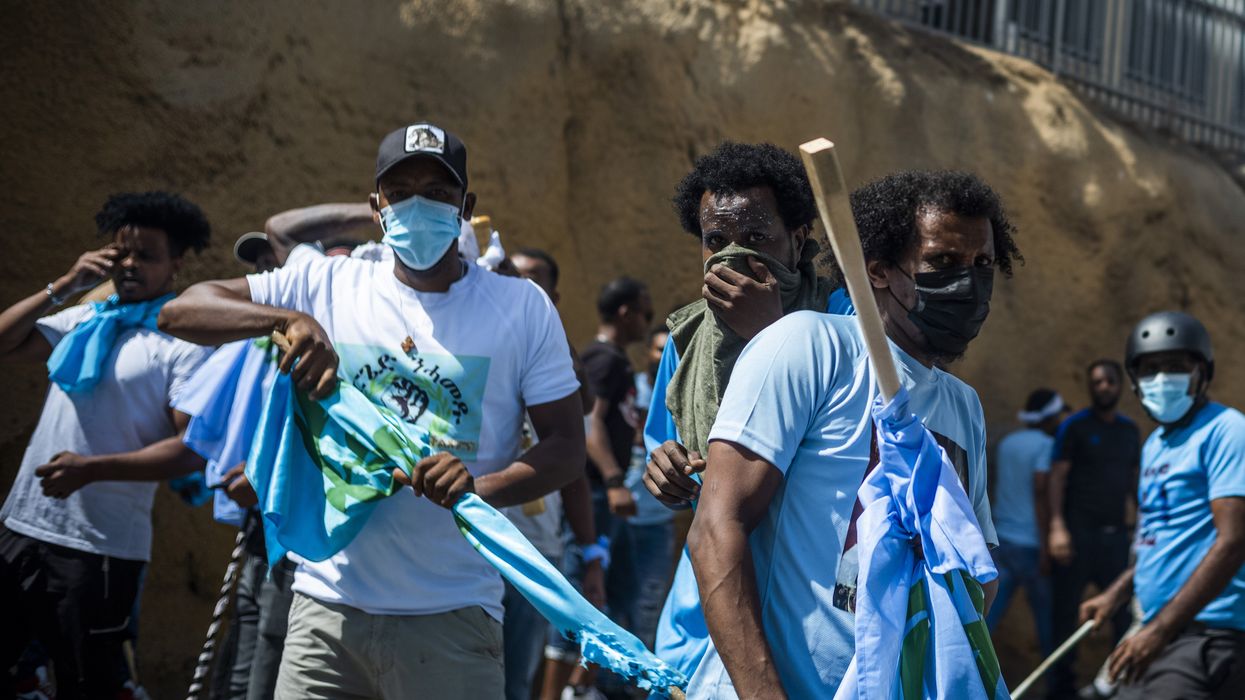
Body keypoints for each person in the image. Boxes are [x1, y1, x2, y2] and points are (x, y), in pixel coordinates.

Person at [158, 121, 586, 699]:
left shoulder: (521, 306)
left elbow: (565, 448)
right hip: (325, 612)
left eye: (438, 192)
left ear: (467, 206)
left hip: (454, 614)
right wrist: (287, 319)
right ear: (376, 206)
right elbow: (183, 311)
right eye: (401, 191)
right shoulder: (326, 284)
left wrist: (480, 487)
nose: (420, 205)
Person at [680, 169, 1018, 697]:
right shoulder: (807, 346)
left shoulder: (963, 407)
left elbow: (976, 576)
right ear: (878, 271)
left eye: (981, 264)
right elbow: (716, 531)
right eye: (943, 263)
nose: (968, 282)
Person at [641, 141, 856, 680]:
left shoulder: (844, 321)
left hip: (808, 601)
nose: (734, 256)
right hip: (704, 610)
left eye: (756, 238)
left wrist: (771, 335)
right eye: (717, 241)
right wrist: (664, 469)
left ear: (799, 237)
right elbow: (667, 448)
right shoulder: (687, 338)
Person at [0, 191, 213, 698]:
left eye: (147, 255)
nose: (131, 265)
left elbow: (191, 448)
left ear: (176, 266)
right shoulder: (87, 317)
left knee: (92, 685)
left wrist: (92, 469)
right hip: (22, 527)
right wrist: (66, 285)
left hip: (98, 549)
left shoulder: (182, 342)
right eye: (123, 253)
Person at [210, 206, 377, 700]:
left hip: (307, 524)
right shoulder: (260, 339)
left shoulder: (331, 337)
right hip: (258, 521)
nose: (265, 273)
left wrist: (380, 209)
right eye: (258, 264)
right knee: (244, 642)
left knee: (272, 646)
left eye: (273, 264)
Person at [1079, 311, 1245, 699]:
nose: (1162, 378)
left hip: (1207, 634)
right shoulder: (1156, 444)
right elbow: (1159, 541)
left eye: (1175, 366)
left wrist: (1159, 630)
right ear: (1135, 382)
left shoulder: (1227, 430)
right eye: (1149, 369)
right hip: (1161, 630)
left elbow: (1234, 540)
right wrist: (1117, 593)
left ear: (1203, 372)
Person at [501, 247, 605, 700]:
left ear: (554, 297)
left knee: (515, 681)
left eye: (534, 283)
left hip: (533, 552)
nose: (522, 290)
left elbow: (573, 468)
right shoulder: (484, 345)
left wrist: (590, 552)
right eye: (513, 279)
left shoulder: (554, 369)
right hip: (471, 546)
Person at [542, 276, 653, 700]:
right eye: (645, 311)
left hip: (602, 498)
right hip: (591, 496)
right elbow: (589, 427)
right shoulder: (605, 360)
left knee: (605, 592)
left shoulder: (611, 359)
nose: (648, 320)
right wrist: (613, 481)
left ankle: (581, 687)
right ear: (625, 312)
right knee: (580, 590)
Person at [1047, 360, 1140, 699]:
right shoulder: (1074, 427)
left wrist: (1145, 524)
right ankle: (1061, 690)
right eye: (1097, 381)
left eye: (1110, 381)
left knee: (1123, 616)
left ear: (1120, 385)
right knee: (1065, 616)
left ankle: (1120, 687)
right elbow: (1057, 477)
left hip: (1116, 538)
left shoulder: (1129, 432)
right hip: (1076, 536)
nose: (1104, 387)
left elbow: (1134, 482)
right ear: (1090, 386)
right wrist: (1057, 528)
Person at [986, 388, 1068, 655]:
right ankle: (1056, 683)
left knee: (986, 618)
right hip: (1030, 545)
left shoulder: (1009, 442)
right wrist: (1046, 548)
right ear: (1050, 417)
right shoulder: (1046, 445)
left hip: (1001, 540)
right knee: (1047, 621)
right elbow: (1040, 493)